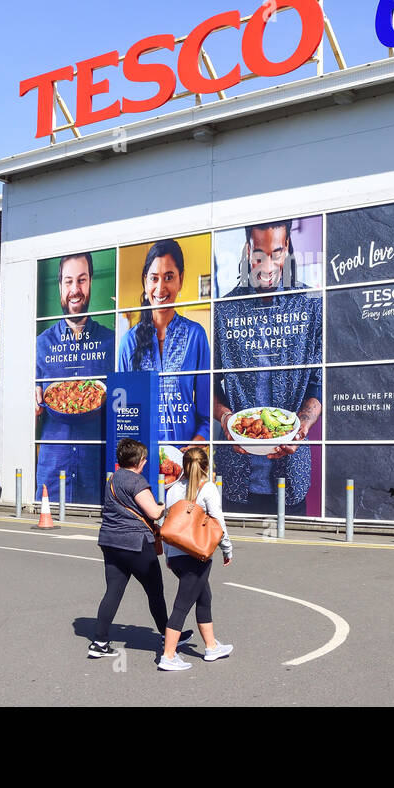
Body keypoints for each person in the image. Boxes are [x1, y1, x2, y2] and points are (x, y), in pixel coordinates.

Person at [212, 221, 322, 515]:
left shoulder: (311, 305)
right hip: (235, 474)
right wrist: (225, 420)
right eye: (259, 254)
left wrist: (302, 425)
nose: (267, 265)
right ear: (248, 251)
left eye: (276, 253)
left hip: (292, 472)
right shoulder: (225, 310)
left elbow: (318, 383)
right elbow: (210, 385)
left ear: (287, 249)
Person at [89, 438, 191, 659]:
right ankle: (169, 636)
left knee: (113, 591)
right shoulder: (136, 481)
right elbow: (154, 512)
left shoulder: (113, 479)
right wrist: (165, 506)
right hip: (135, 544)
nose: (145, 463)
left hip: (110, 542)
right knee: (155, 592)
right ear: (139, 461)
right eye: (144, 459)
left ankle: (99, 641)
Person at [35, 252, 115, 504]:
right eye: (68, 281)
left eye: (81, 280)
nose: (75, 289)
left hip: (96, 471)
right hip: (52, 470)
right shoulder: (40, 345)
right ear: (60, 286)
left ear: (91, 282)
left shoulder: (110, 342)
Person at [116, 239, 211, 445]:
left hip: (184, 465)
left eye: (169, 277)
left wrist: (191, 448)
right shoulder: (128, 343)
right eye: (154, 278)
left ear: (181, 279)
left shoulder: (196, 336)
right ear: (145, 281)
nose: (160, 288)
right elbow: (122, 419)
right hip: (140, 466)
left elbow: (206, 418)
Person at [158, 447, 234, 671]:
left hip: (178, 555)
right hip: (197, 555)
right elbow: (219, 523)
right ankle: (168, 656)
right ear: (206, 466)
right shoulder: (208, 488)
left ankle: (211, 646)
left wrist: (169, 555)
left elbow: (167, 526)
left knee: (204, 598)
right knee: (182, 606)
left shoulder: (172, 490)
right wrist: (227, 550)